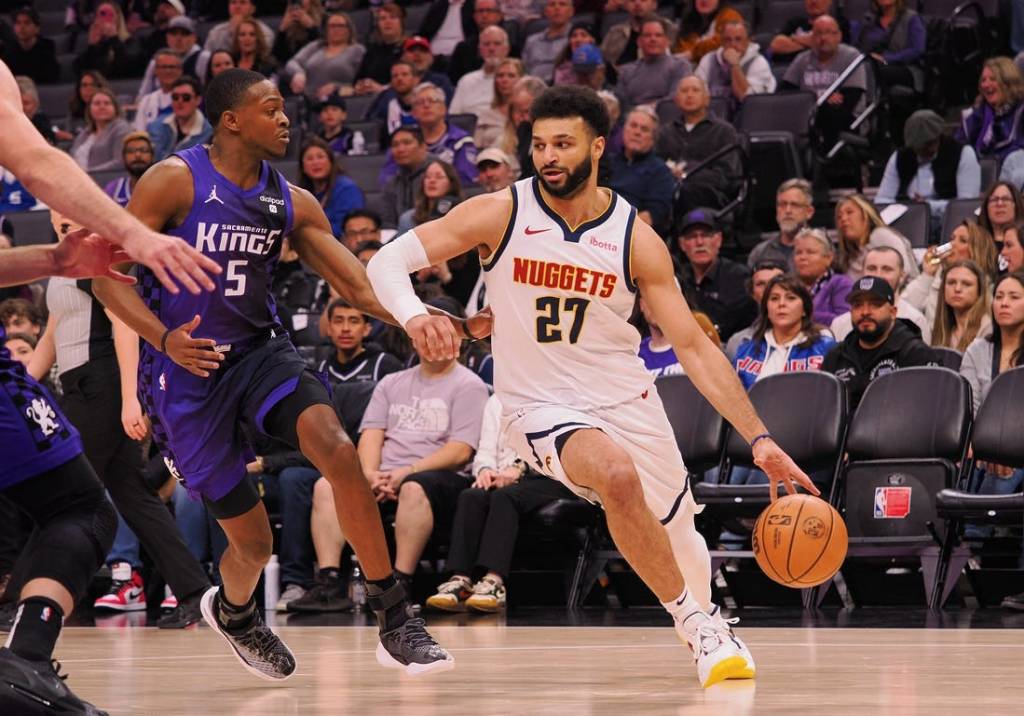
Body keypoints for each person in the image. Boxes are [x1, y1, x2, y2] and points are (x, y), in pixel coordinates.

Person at [367, 85, 822, 688]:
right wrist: (416, 315)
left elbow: (692, 345)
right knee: (614, 475)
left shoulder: (634, 236)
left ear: (598, 147)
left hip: (626, 396)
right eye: (539, 145)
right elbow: (384, 262)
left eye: (564, 144)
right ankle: (697, 624)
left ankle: (708, 623)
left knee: (678, 526)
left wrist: (759, 439)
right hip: (536, 405)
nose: (549, 156)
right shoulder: (500, 212)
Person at [92, 69, 468, 680]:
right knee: (253, 544)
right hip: (186, 375)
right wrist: (164, 339)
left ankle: (393, 617)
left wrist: (433, 316)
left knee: (338, 450)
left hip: (261, 353)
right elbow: (105, 278)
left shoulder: (292, 200)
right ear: (231, 119)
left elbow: (356, 283)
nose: (286, 119)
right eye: (271, 109)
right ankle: (236, 613)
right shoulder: (174, 181)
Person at [0, 58, 220, 714]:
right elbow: (36, 159)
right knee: (83, 507)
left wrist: (53, 260)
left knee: (112, 496)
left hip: (96, 375)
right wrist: (136, 232)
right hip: (83, 382)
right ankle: (26, 659)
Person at [26, 216, 213, 627]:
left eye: (72, 219)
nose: (64, 226)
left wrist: (131, 399)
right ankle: (196, 594)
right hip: (82, 385)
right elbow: (52, 336)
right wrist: (20, 387)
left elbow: (124, 326)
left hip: (103, 383)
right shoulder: (64, 267)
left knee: (62, 488)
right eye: (58, 221)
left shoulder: (99, 261)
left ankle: (24, 596)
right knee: (136, 498)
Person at [356, 334, 489, 593]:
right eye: (427, 337)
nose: (436, 343)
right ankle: (329, 580)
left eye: (443, 337)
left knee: (414, 487)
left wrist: (407, 472)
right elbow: (371, 436)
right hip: (387, 475)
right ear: (414, 341)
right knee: (328, 487)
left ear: (458, 341)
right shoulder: (391, 383)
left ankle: (400, 582)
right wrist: (370, 474)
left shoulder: (469, 384)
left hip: (441, 476)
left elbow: (460, 451)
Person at [425, 393, 575, 613]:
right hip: (504, 476)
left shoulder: (555, 396)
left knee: (505, 497)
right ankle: (460, 579)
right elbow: (485, 449)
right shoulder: (497, 400)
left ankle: (494, 581)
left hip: (550, 477)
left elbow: (556, 445)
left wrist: (520, 468)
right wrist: (485, 470)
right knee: (472, 495)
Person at [958, 272, 1024, 611]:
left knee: (1008, 467)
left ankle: (973, 551)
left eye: (1014, 296)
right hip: (984, 449)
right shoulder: (978, 349)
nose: (1005, 303)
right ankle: (970, 557)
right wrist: (986, 443)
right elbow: (969, 410)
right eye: (999, 296)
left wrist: (1010, 446)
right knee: (988, 463)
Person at [822, 276, 937, 409]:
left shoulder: (916, 354)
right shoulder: (836, 357)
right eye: (858, 305)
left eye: (875, 304)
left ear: (893, 312)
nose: (865, 312)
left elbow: (930, 413)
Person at [875, 109, 981, 227]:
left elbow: (965, 206)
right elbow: (882, 200)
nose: (922, 151)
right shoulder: (899, 157)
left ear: (937, 138)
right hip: (905, 223)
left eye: (927, 145)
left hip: (948, 225)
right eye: (918, 147)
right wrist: (906, 208)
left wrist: (926, 206)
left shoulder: (963, 154)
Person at [732, 274, 836, 389]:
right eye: (774, 298)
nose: (781, 304)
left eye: (791, 298)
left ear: (804, 310)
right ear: (767, 309)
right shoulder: (746, 350)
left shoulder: (826, 348)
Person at [656, 76, 741, 214]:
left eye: (695, 90)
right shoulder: (664, 132)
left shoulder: (724, 131)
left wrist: (688, 172)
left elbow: (727, 173)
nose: (689, 95)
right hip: (667, 190)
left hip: (709, 195)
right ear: (676, 100)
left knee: (689, 191)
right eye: (684, 91)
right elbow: (655, 163)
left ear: (707, 98)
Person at [781, 15, 867, 149]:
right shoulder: (802, 59)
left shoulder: (851, 56)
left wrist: (812, 101)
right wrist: (820, 98)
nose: (823, 38)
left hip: (845, 118)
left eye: (828, 32)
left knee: (829, 113)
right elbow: (784, 91)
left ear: (839, 36)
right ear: (811, 38)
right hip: (807, 113)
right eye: (818, 33)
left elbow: (851, 99)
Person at [675, 208, 757, 342]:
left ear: (719, 239)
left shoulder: (739, 277)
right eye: (692, 236)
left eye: (706, 235)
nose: (699, 242)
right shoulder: (678, 279)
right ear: (682, 244)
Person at [380, 82, 479, 187]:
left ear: (444, 109)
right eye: (420, 102)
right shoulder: (402, 142)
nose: (426, 106)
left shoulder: (461, 141)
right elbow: (387, 179)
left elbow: (467, 180)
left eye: (432, 101)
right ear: (413, 112)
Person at [904, 220, 997, 329]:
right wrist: (927, 275)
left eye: (962, 240)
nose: (952, 244)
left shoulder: (985, 286)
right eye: (952, 238)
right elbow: (907, 310)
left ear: (977, 250)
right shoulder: (938, 274)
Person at [830, 246, 930, 342]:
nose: (878, 275)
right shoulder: (839, 324)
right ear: (862, 273)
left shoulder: (915, 320)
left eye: (887, 269)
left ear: (902, 276)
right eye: (872, 268)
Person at [607, 106, 674, 234]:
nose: (637, 132)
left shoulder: (661, 171)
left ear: (653, 138)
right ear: (623, 130)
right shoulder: (605, 162)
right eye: (633, 126)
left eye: (644, 129)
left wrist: (614, 230)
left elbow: (652, 215)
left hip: (630, 233)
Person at [694, 20, 775, 119]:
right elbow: (697, 96)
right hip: (712, 119)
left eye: (738, 39)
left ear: (748, 41)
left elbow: (745, 98)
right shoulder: (708, 60)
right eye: (728, 40)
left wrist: (735, 65)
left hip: (747, 119)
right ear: (722, 42)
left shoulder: (758, 63)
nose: (733, 44)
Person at [316, 298, 403, 384]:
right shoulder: (318, 370)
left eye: (354, 321)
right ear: (329, 329)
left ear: (366, 329)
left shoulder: (385, 365)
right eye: (338, 321)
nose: (345, 328)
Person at [833, 193, 917, 281]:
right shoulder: (848, 257)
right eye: (839, 216)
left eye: (849, 212)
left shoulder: (880, 235)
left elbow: (905, 271)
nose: (843, 219)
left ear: (866, 214)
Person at [955, 57, 1024, 162]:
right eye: (983, 80)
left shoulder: (1021, 111)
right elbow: (957, 151)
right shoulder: (973, 117)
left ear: (1008, 82)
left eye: (993, 79)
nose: (986, 85)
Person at [285, 11, 365, 100]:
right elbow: (292, 63)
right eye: (332, 26)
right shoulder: (316, 46)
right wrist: (298, 73)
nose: (336, 29)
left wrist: (337, 87)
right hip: (307, 99)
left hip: (340, 101)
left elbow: (361, 82)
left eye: (340, 26)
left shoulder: (357, 50)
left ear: (349, 30)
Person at [616, 16, 692, 107]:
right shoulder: (626, 71)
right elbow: (620, 103)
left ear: (667, 41)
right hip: (633, 118)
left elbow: (676, 99)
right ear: (639, 42)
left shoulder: (680, 66)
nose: (653, 39)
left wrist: (647, 111)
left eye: (658, 35)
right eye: (647, 35)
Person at [298, 136, 365, 237]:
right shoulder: (302, 193)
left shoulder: (347, 189)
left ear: (331, 162)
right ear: (303, 168)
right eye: (309, 159)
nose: (316, 163)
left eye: (320, 157)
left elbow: (347, 228)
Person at [747, 179, 815, 269]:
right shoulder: (760, 253)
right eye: (782, 204)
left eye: (794, 205)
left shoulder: (820, 251)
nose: (787, 211)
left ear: (809, 212)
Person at [792, 227, 852, 325]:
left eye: (810, 252)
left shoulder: (841, 284)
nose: (802, 257)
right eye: (798, 252)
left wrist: (802, 314)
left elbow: (844, 323)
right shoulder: (789, 287)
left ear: (828, 258)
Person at [379, 125, 435, 229]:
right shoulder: (391, 183)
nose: (400, 149)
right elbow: (387, 222)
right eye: (395, 145)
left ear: (423, 146)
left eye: (407, 143)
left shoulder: (439, 176)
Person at [930, 260, 992, 352]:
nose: (957, 289)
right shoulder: (942, 328)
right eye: (951, 283)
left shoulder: (987, 328)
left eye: (966, 284)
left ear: (979, 291)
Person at [450, 25, 511, 117]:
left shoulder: (517, 80)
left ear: (507, 49)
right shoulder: (466, 81)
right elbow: (454, 116)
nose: (491, 49)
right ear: (480, 50)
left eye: (497, 44)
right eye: (486, 44)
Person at [148, 77, 213, 161]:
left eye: (186, 97)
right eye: (175, 97)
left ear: (198, 100)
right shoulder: (156, 126)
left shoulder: (210, 132)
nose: (180, 101)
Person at [73, 1, 140, 79]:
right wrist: (92, 47)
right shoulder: (95, 46)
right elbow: (82, 72)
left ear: (118, 18)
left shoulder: (132, 42)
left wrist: (114, 39)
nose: (105, 21)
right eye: (101, 15)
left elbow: (130, 67)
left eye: (109, 15)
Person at [70, 87, 132, 171]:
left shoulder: (121, 128)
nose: (102, 107)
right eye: (97, 103)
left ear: (115, 108)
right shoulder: (85, 133)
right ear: (89, 109)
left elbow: (120, 162)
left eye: (107, 103)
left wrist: (89, 173)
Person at [769, 0, 849, 61]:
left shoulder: (838, 22)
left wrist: (794, 39)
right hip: (789, 70)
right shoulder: (795, 23)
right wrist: (812, 44)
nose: (813, 1)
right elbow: (776, 45)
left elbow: (832, 49)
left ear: (829, 1)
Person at [398, 159, 463, 234]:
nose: (432, 180)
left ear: (451, 183)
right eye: (428, 177)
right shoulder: (408, 219)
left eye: (439, 177)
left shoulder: (462, 214)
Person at [353, 3, 407, 90]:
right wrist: (360, 86)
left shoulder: (409, 47)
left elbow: (410, 79)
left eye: (392, 17)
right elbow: (358, 79)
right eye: (382, 19)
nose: (387, 21)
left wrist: (381, 88)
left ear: (401, 22)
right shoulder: (373, 50)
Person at [475, 58, 524, 150]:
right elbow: (476, 147)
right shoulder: (486, 115)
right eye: (500, 76)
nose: (504, 80)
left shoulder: (526, 114)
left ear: (521, 79)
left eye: (511, 76)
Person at [2, 7, 59, 85]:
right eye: (18, 23)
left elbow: (51, 76)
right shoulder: (8, 49)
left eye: (27, 23)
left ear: (37, 28)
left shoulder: (47, 47)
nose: (22, 27)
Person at [674, 0, 743, 63]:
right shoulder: (688, 21)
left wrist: (694, 53)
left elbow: (724, 42)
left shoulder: (731, 16)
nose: (704, 0)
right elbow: (682, 50)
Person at [521, 0, 573, 81]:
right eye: (552, 4)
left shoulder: (574, 39)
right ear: (546, 11)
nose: (557, 8)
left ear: (571, 11)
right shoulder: (532, 41)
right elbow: (524, 70)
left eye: (562, 4)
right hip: (534, 87)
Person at [364, 60, 420, 135]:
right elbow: (371, 124)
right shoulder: (384, 100)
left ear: (416, 80)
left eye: (404, 74)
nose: (399, 78)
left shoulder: (426, 102)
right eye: (395, 76)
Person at [134, 48, 182, 132]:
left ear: (180, 70)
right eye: (163, 67)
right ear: (155, 71)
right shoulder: (146, 100)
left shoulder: (188, 98)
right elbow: (139, 131)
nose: (168, 71)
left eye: (172, 67)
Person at [104, 131, 156, 207]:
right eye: (131, 151)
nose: (138, 155)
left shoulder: (165, 187)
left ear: (153, 156)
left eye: (143, 150)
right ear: (123, 158)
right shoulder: (114, 189)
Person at [602, 0, 660, 67]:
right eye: (632, 0)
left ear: (654, 4)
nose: (637, 3)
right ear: (626, 5)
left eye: (643, 0)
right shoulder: (615, 32)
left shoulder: (668, 29)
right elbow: (603, 61)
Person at [204, 0, 275, 54]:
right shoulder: (216, 32)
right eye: (233, 2)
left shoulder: (265, 32)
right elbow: (206, 58)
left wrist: (235, 32)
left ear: (253, 8)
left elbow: (263, 55)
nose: (237, 7)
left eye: (243, 2)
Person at [272, 0, 324, 66]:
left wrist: (311, 28)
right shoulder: (285, 22)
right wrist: (282, 30)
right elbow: (278, 57)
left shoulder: (325, 19)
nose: (298, 3)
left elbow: (323, 51)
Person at [979, 181, 1024, 246]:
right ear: (986, 207)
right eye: (994, 200)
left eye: (1005, 199)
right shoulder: (975, 244)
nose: (999, 204)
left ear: (1015, 205)